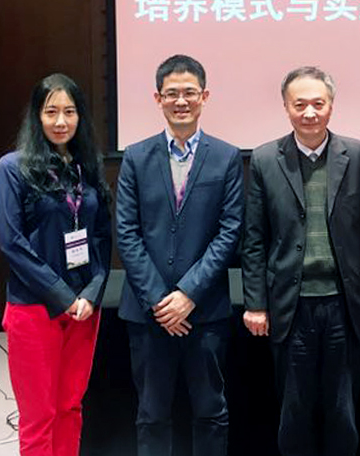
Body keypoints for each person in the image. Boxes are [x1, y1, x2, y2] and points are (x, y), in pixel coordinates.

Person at [241, 66, 360, 456]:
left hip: (345, 303)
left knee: (343, 410)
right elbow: (254, 238)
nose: (309, 112)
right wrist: (255, 302)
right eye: (300, 104)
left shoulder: (358, 155)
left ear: (331, 106)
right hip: (289, 306)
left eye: (318, 104)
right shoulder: (264, 159)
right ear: (286, 107)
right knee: (294, 410)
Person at [116, 54, 244, 456]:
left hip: (205, 309)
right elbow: (126, 231)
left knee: (210, 411)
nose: (181, 101)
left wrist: (188, 293)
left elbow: (230, 231)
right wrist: (160, 300)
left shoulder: (226, 157)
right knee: (151, 414)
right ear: (158, 99)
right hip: (148, 312)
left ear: (205, 96)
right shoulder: (136, 156)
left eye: (190, 92)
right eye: (172, 93)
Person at [0, 73, 112, 456]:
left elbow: (101, 238)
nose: (61, 121)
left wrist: (92, 291)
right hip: (35, 308)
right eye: (51, 112)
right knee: (39, 416)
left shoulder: (86, 167)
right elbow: (12, 244)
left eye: (70, 112)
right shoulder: (12, 168)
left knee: (70, 408)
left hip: (84, 311)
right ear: (37, 116)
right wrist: (63, 296)